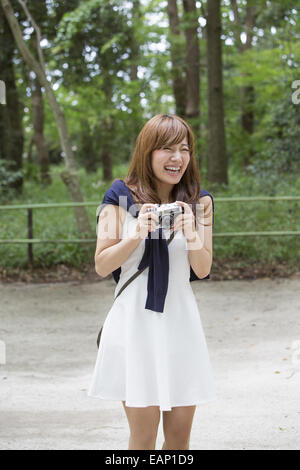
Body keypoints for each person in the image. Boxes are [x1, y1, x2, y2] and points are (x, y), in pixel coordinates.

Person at [87, 113, 216, 450]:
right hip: (134, 327)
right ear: (147, 152)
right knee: (143, 439)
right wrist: (134, 234)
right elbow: (101, 265)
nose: (177, 158)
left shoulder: (199, 202)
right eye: (166, 149)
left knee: (179, 440)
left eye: (184, 149)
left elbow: (202, 269)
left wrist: (190, 232)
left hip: (181, 324)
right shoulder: (119, 196)